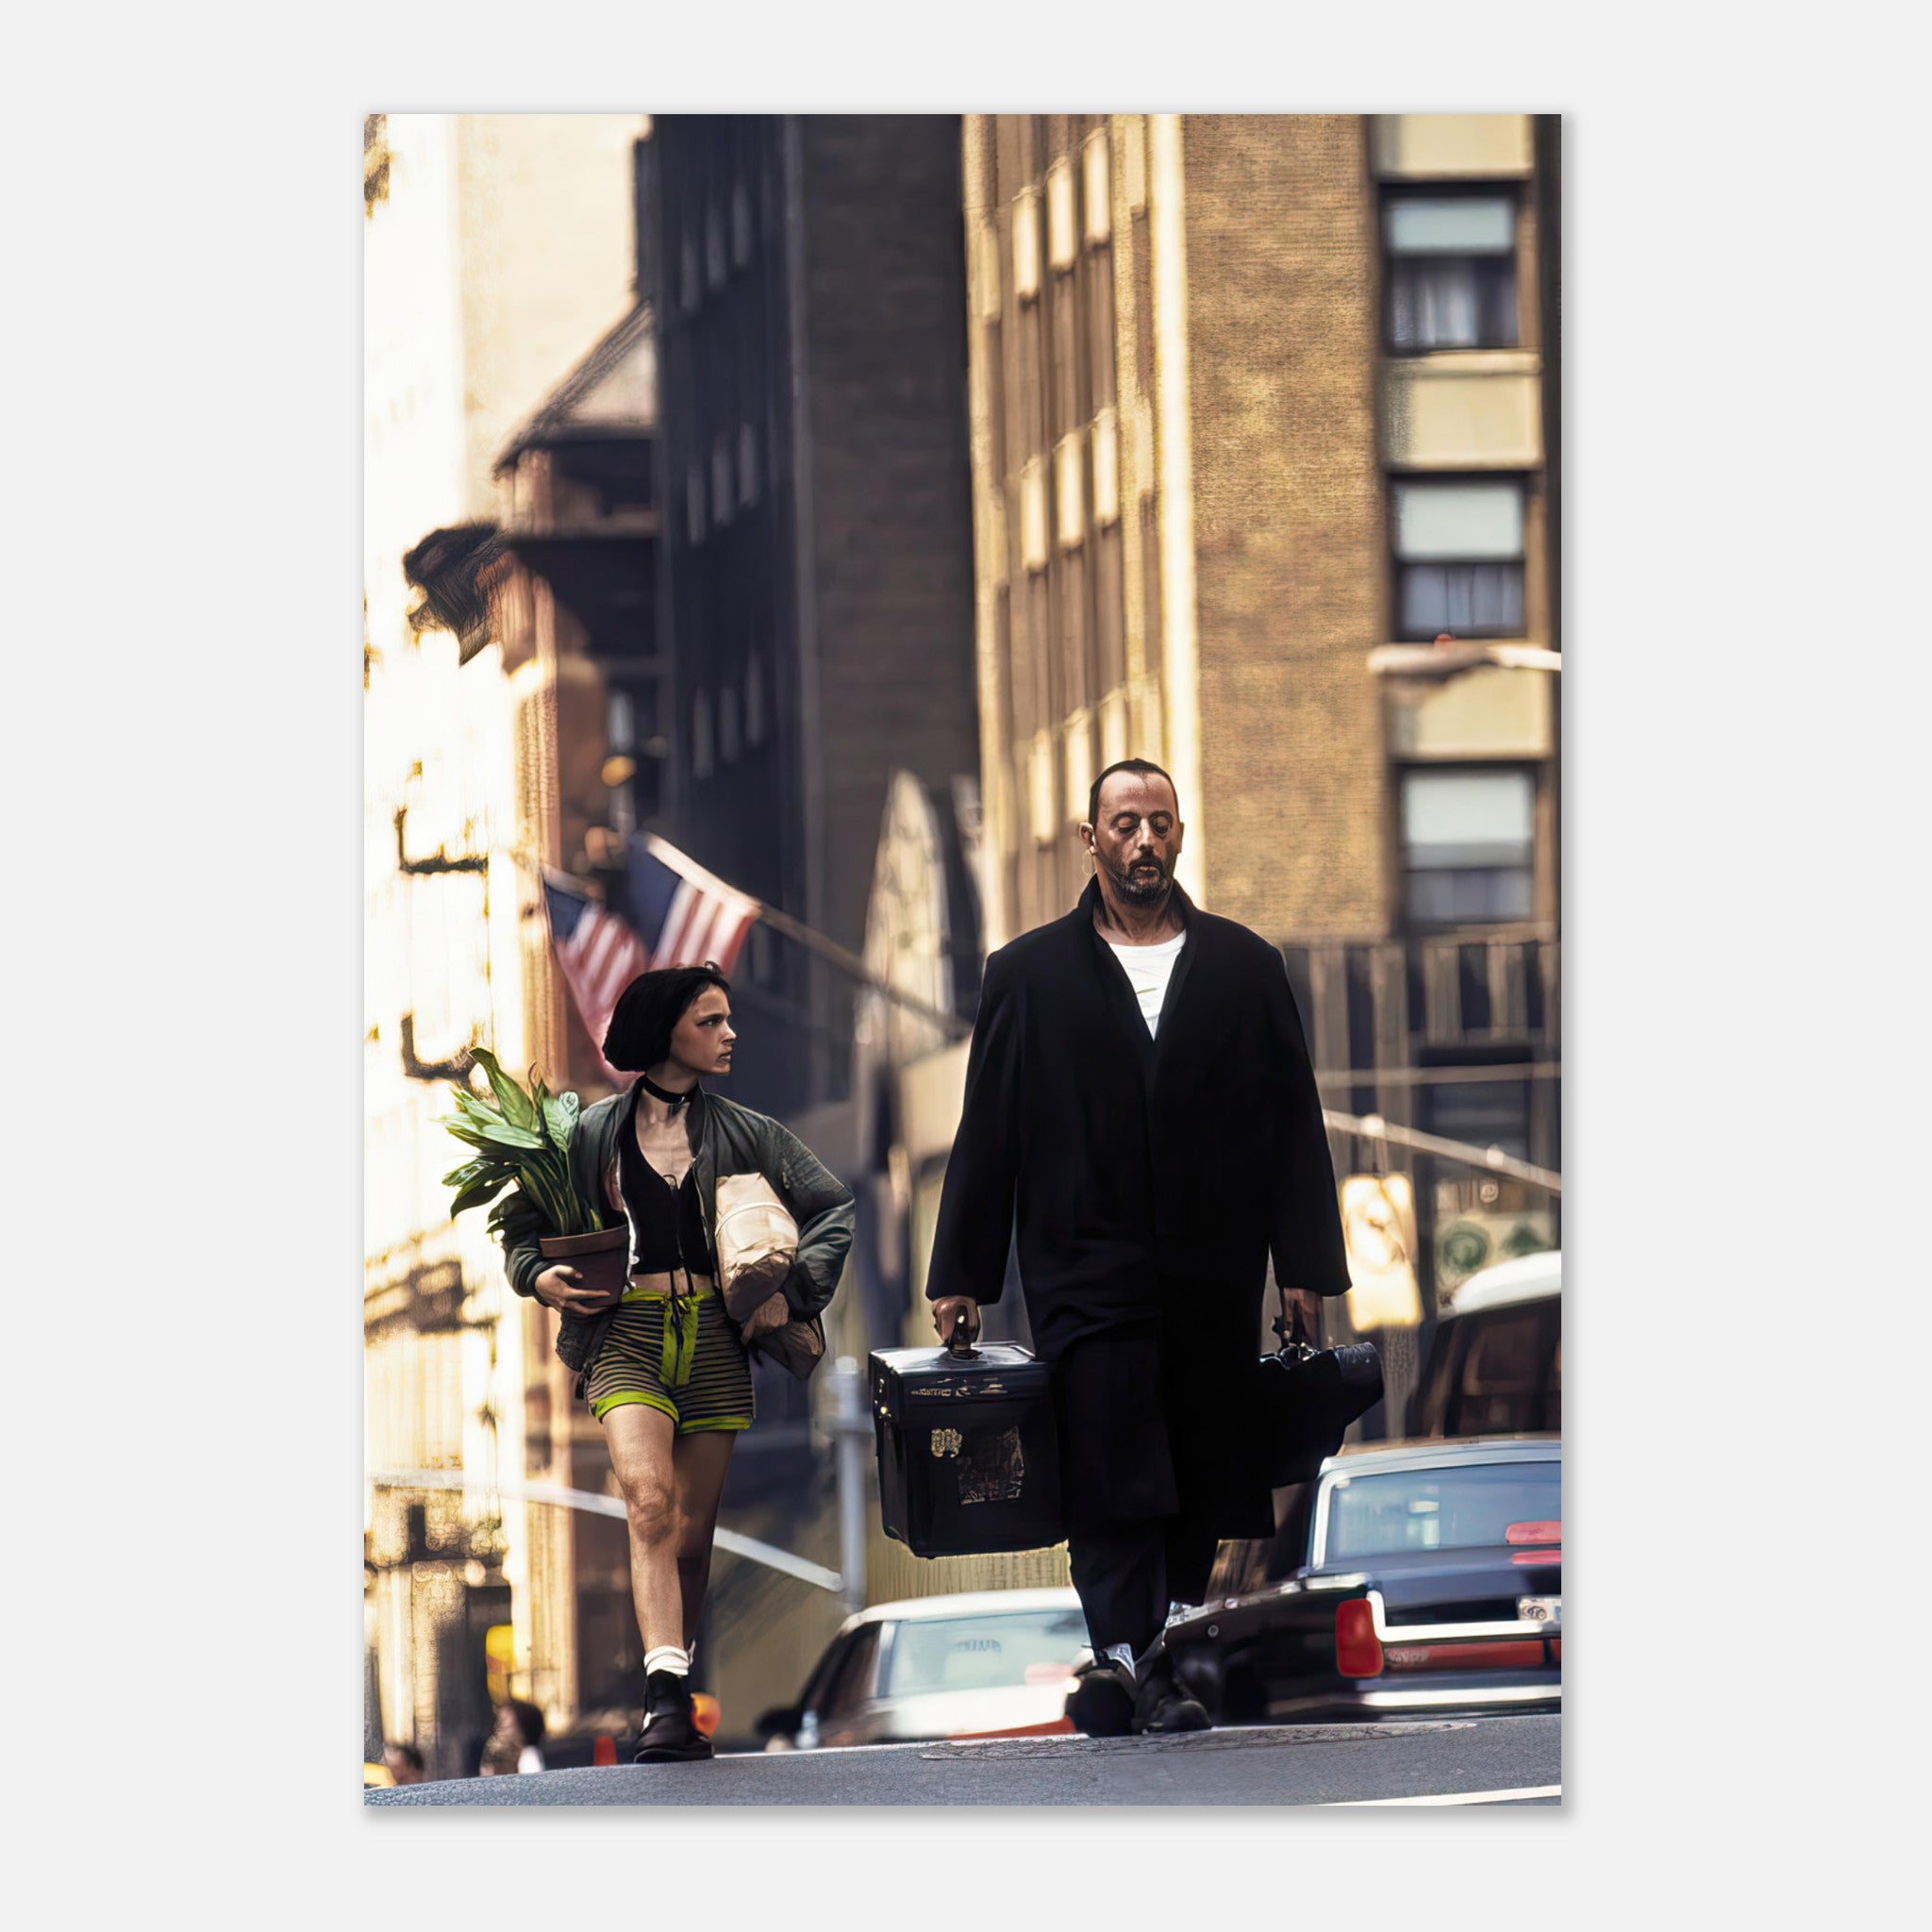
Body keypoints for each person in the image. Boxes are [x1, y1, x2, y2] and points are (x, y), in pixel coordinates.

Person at [925, 758, 1350, 1738]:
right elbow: (985, 1128)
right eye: (1124, 824)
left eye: (1159, 822)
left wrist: (1305, 1268)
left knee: (1194, 1468)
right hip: (1083, 1269)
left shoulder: (1246, 966)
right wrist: (961, 1273)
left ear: (1180, 833)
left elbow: (1292, 1121)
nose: (1143, 841)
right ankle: (1149, 1663)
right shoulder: (1025, 974)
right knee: (1111, 1462)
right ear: (1090, 838)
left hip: (1212, 1268)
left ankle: (1119, 1654)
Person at [500, 964, 855, 1763]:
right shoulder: (593, 1133)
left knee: (692, 1537)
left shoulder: (748, 1131)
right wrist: (538, 1275)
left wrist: (795, 1291)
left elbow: (832, 1203)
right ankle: (664, 1698)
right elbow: (521, 1228)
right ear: (668, 1032)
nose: (730, 1035)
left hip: (718, 1342)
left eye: (729, 1020)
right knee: (649, 1503)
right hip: (624, 1333)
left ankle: (673, 1679)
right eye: (712, 1021)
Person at [479, 1698, 547, 1775]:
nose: (498, 1726)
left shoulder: (529, 1758)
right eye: (499, 1720)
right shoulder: (507, 1760)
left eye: (504, 1720)